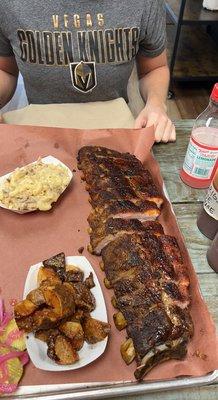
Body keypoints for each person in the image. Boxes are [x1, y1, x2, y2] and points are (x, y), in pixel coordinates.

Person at [0, 0, 175, 142]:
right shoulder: (9, 5)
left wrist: (156, 104)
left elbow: (154, 68)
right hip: (38, 132)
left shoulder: (145, 4)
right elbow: (5, 70)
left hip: (114, 129)